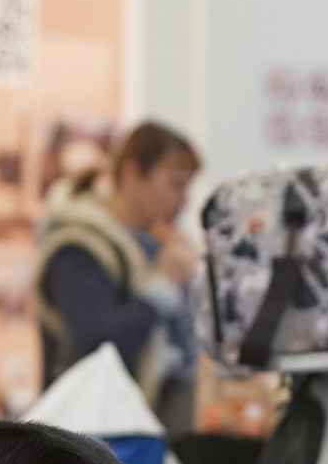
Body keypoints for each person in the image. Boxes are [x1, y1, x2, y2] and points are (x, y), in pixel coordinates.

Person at [31, 120, 203, 419]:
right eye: (175, 184)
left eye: (187, 187)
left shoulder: (158, 248)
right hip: (94, 435)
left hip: (152, 426)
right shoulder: (79, 248)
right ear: (132, 172)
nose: (183, 200)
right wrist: (163, 285)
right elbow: (99, 348)